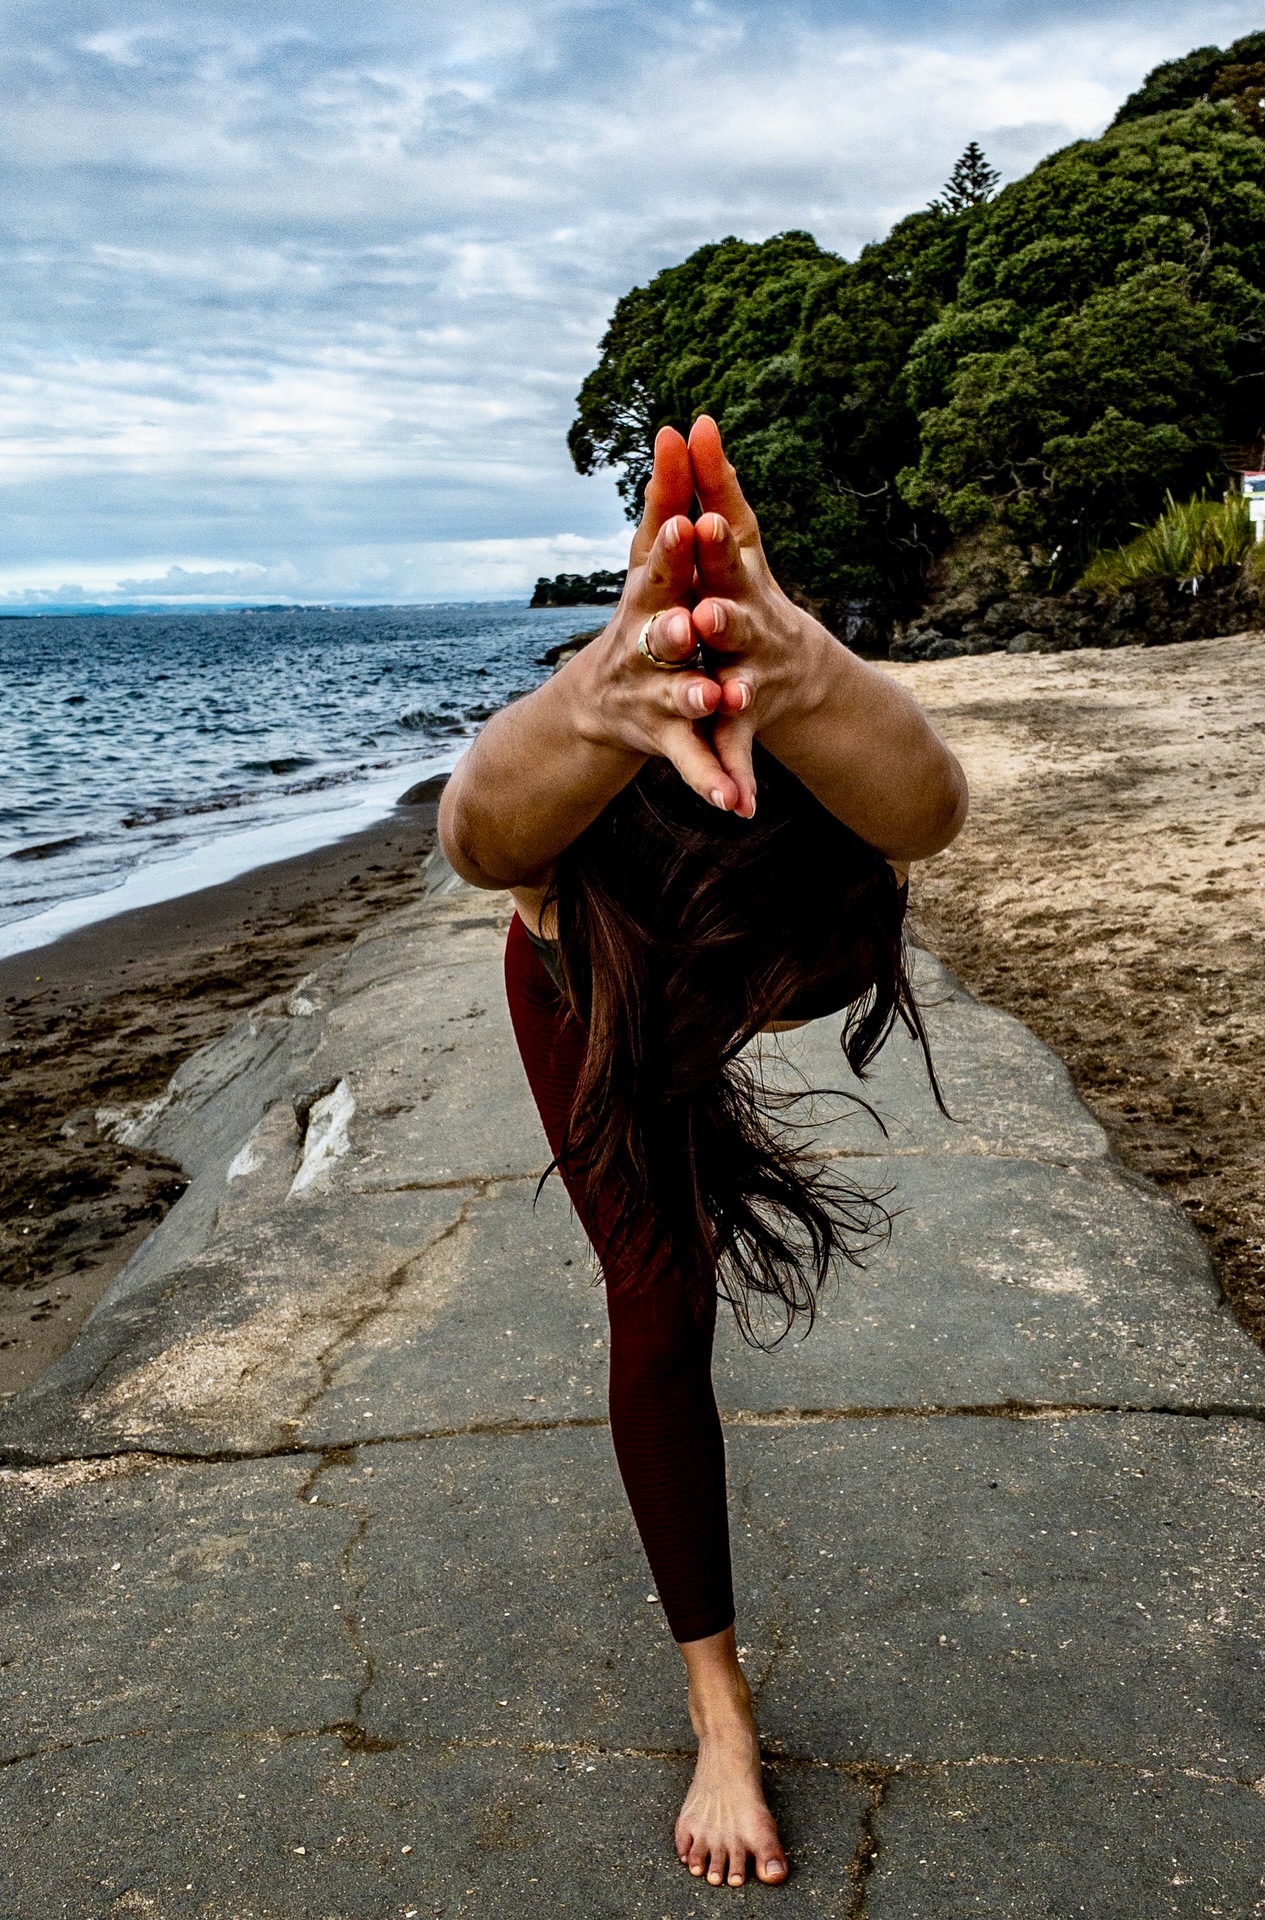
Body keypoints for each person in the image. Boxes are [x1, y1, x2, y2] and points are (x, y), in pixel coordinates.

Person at [439, 416, 967, 1888]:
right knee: (658, 1300)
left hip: (752, 926)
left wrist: (798, 663)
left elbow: (932, 805)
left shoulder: (801, 795)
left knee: (837, 931)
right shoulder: (571, 855)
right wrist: (599, 697)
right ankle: (715, 1710)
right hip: (591, 983)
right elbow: (473, 834)